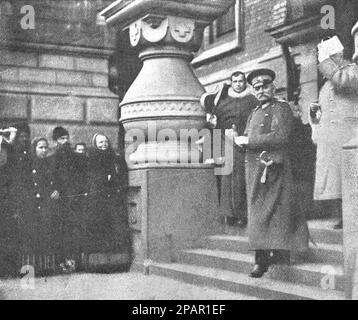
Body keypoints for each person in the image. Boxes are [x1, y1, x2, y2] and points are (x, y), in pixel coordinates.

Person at [233, 68, 309, 278]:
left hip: (273, 168)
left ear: (272, 86)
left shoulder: (281, 108)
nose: (261, 91)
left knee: (277, 212)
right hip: (254, 170)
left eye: (265, 86)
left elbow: (281, 136)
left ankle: (274, 255)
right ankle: (262, 257)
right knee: (257, 214)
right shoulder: (254, 112)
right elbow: (249, 139)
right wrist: (239, 142)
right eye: (256, 88)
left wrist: (249, 141)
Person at [309, 30, 358, 230]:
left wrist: (324, 61)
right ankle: (342, 215)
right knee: (335, 180)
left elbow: (343, 81)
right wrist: (315, 121)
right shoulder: (327, 83)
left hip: (348, 132)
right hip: (330, 137)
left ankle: (351, 215)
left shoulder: (353, 70)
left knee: (349, 176)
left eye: (329, 56)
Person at [200, 71, 258, 227]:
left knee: (241, 181)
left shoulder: (253, 100)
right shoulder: (223, 101)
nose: (238, 84)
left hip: (244, 145)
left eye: (241, 81)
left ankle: (242, 215)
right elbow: (214, 122)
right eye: (235, 81)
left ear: (245, 82)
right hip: (225, 144)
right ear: (231, 83)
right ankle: (228, 214)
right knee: (226, 181)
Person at [86, 133, 130, 272]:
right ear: (95, 144)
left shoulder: (115, 157)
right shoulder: (91, 158)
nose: (104, 144)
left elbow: (122, 174)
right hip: (98, 200)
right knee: (100, 229)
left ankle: (117, 264)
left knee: (115, 229)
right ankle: (99, 264)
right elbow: (90, 178)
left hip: (114, 200)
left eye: (105, 141)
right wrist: (105, 178)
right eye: (100, 142)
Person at [19, 138, 60, 275]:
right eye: (40, 147)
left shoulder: (50, 164)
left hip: (46, 204)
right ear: (34, 148)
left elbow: (57, 182)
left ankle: (46, 268)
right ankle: (28, 270)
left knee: (46, 233)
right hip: (30, 205)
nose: (43, 150)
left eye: (45, 148)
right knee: (31, 236)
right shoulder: (26, 164)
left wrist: (57, 190)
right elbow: (21, 185)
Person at [0, 123, 32, 276]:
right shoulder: (9, 151)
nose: (24, 139)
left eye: (26, 136)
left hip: (19, 197)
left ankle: (13, 267)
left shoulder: (26, 154)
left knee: (15, 233)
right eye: (21, 136)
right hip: (6, 196)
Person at [51, 126, 78, 268]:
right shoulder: (53, 158)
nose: (66, 141)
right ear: (55, 141)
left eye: (67, 138)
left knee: (71, 229)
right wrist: (55, 189)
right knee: (60, 229)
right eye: (62, 138)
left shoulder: (74, 157)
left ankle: (70, 259)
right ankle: (60, 260)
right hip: (59, 199)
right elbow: (51, 178)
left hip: (72, 197)